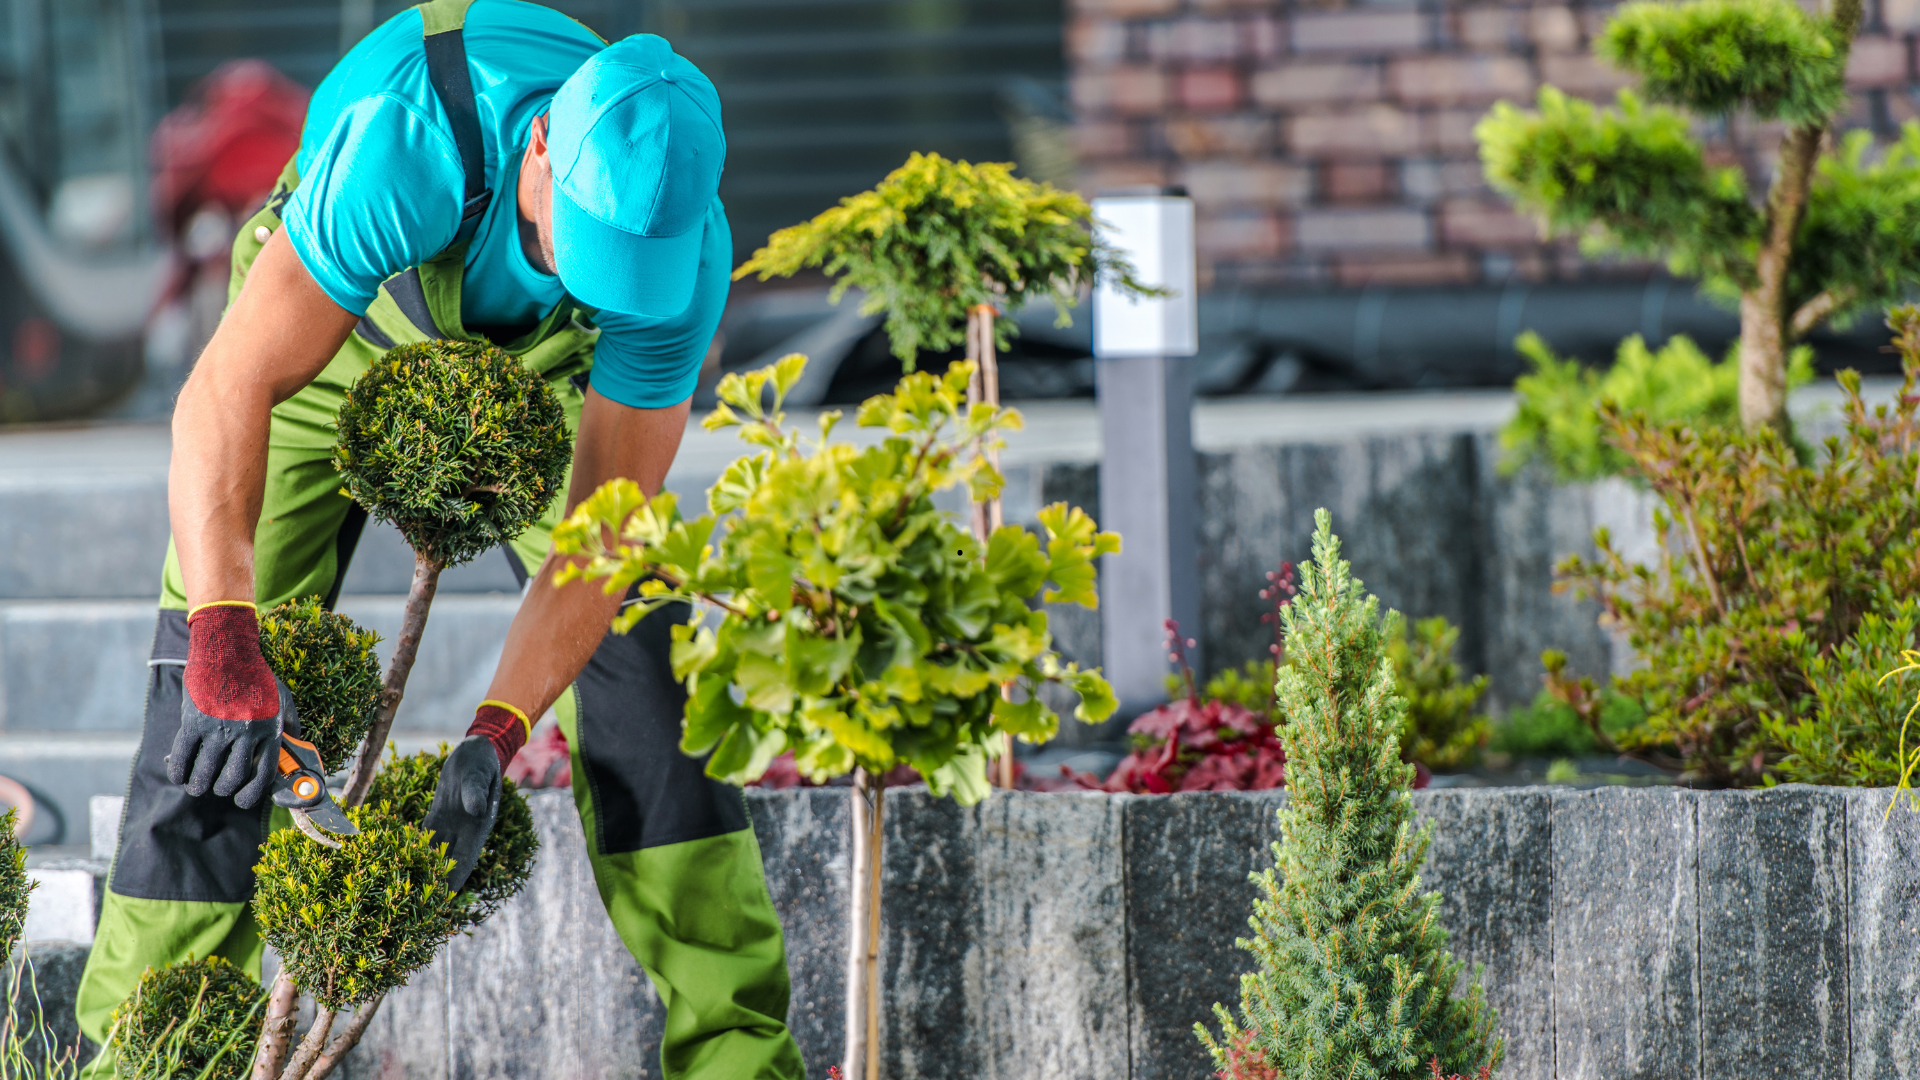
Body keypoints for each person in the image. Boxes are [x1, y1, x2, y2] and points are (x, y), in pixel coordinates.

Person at [73, 2, 805, 1077]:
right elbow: (229, 384)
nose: (579, 279)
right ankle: (151, 1063)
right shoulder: (405, 138)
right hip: (333, 337)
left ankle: (739, 1055)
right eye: (577, 247)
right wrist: (229, 634)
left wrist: (498, 732)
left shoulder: (679, 256)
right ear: (543, 146)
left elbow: (600, 538)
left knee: (651, 663)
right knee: (206, 710)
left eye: (618, 272)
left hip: (544, 381)